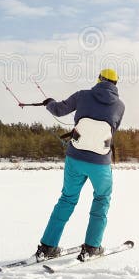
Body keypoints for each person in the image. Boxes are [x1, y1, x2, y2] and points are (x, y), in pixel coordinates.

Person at [35, 68, 125, 262]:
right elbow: (112, 129)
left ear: (99, 80)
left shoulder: (82, 95)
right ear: (116, 84)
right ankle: (92, 247)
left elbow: (58, 109)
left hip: (75, 158)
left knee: (67, 199)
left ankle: (47, 247)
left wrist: (49, 103)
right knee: (101, 199)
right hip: (100, 164)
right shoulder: (120, 106)